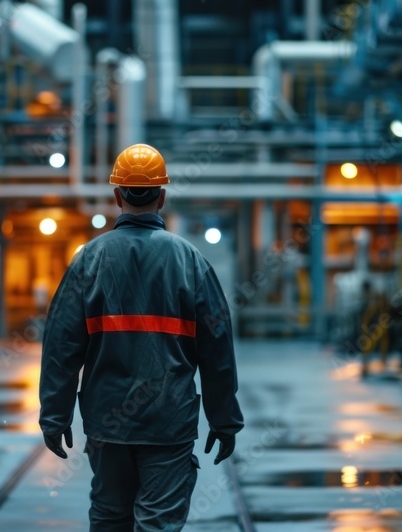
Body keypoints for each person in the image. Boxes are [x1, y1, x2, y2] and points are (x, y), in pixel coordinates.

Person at [39, 143, 244, 531]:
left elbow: (60, 347)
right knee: (158, 524)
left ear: (117, 196)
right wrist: (224, 419)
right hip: (169, 420)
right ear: (162, 196)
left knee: (110, 519)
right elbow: (217, 348)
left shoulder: (88, 260)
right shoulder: (191, 261)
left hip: (107, 421)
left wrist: (55, 415)